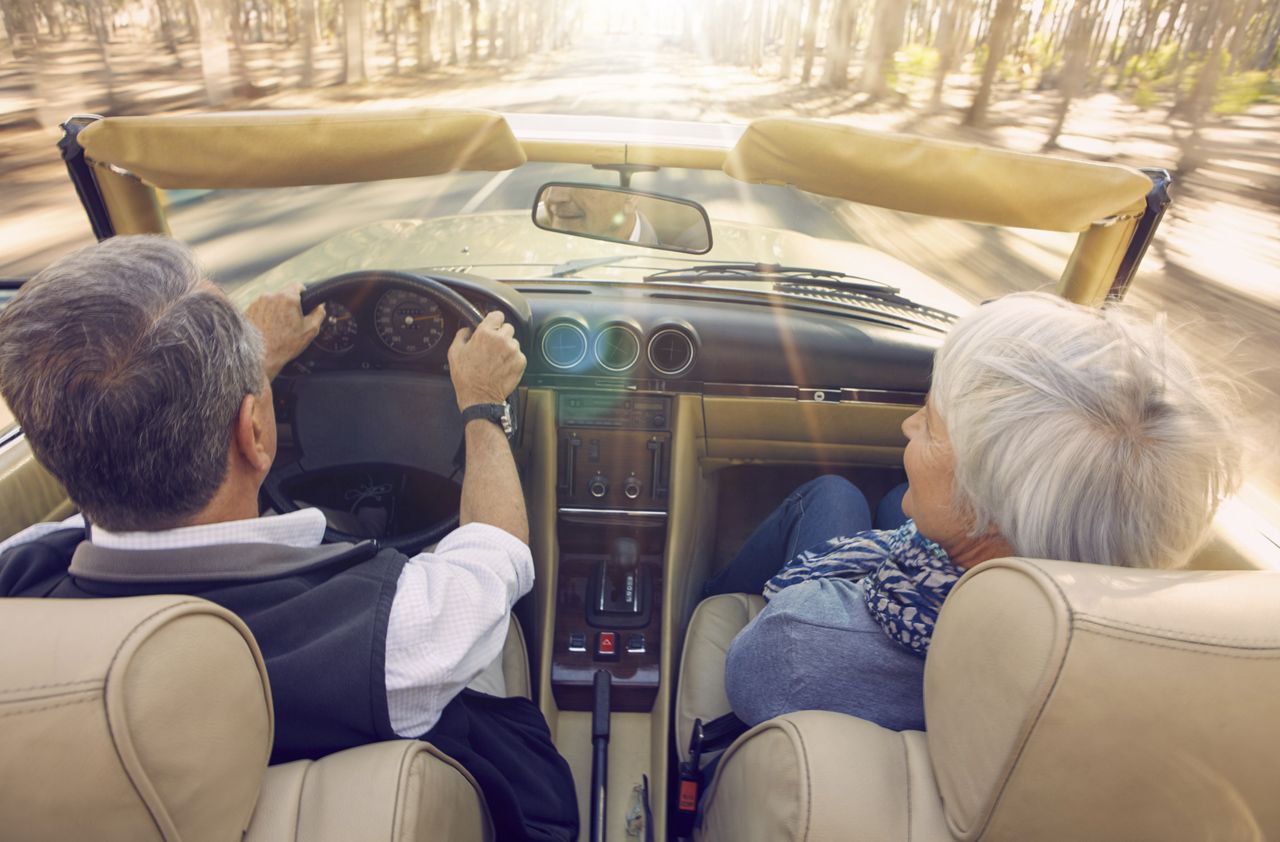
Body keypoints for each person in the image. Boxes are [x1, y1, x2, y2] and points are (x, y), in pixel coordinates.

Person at [0, 235, 576, 842]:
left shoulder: (19, 579)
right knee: (494, 638)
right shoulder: (394, 637)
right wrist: (483, 406)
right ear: (254, 431)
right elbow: (495, 559)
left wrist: (259, 368)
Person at [708, 291, 1242, 732]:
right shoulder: (1146, 663)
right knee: (895, 502)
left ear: (985, 511)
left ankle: (702, 598)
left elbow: (750, 662)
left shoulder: (798, 643)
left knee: (832, 494)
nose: (909, 426)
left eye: (933, 426)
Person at [538, 185, 660, 245]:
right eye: (549, 178)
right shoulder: (530, 238)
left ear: (631, 196)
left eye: (579, 180)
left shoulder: (667, 266)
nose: (552, 197)